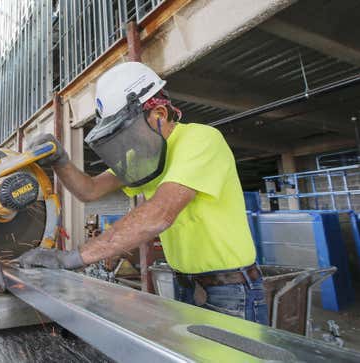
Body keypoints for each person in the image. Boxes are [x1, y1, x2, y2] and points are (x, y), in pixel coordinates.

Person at [18, 62, 268, 325]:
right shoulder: (147, 157)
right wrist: (61, 160)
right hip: (185, 284)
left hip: (231, 290)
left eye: (128, 132)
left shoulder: (202, 140)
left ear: (158, 114)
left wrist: (73, 257)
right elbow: (89, 191)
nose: (127, 144)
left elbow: (159, 213)